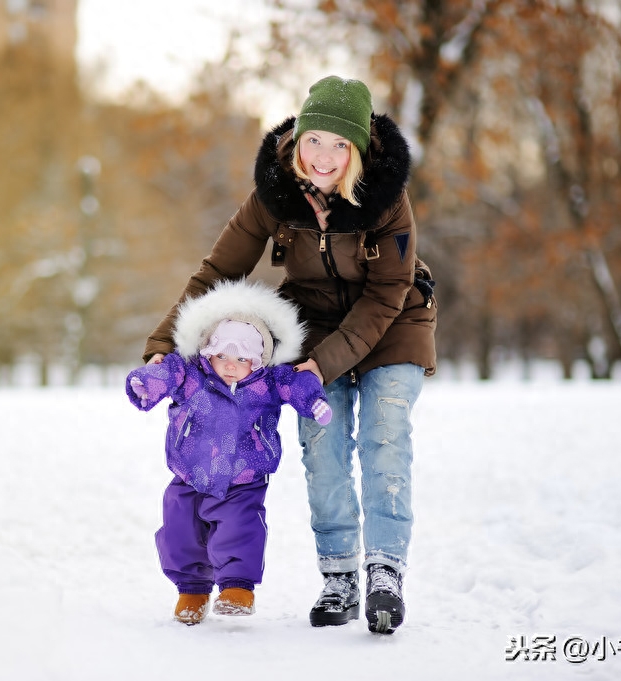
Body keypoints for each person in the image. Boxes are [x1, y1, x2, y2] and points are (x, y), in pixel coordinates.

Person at [141, 76, 437, 634]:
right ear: (297, 139)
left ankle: (384, 570)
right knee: (322, 445)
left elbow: (385, 294)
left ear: (359, 150)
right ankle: (340, 576)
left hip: (394, 324)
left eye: (339, 145)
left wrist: (324, 365)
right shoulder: (274, 195)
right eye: (313, 140)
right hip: (313, 327)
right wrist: (165, 344)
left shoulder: (387, 201)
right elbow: (216, 271)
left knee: (384, 431)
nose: (322, 157)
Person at [126, 278, 333, 625]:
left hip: (243, 475)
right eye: (221, 355)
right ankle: (191, 591)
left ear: (260, 357)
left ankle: (237, 588)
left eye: (241, 358)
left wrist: (313, 401)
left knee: (239, 529)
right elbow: (166, 372)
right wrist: (146, 384)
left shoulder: (268, 381)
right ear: (209, 351)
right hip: (189, 473)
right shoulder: (191, 373)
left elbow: (296, 383)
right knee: (180, 532)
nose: (230, 365)